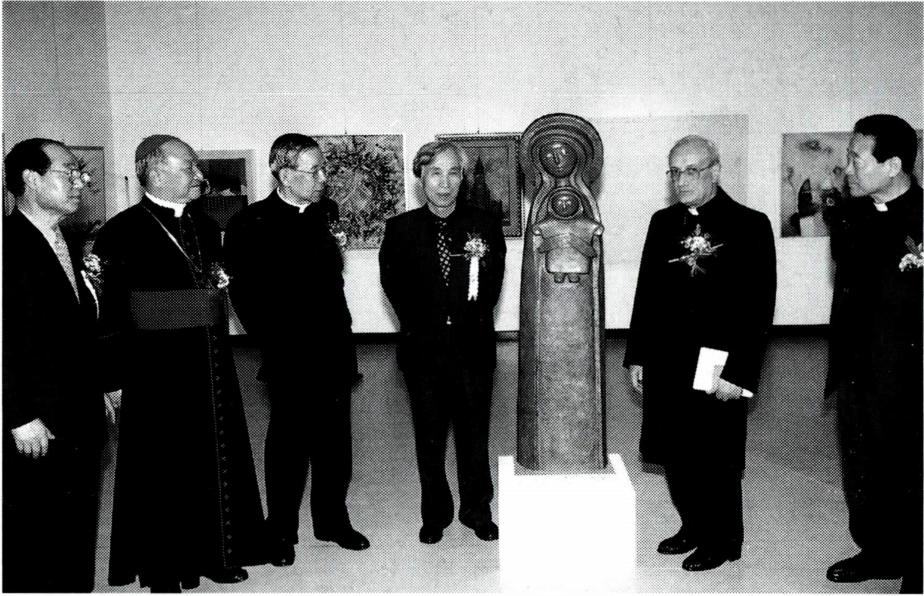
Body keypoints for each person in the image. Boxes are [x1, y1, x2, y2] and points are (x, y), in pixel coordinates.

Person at [94, 135, 266, 592]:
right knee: (162, 468)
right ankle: (164, 568)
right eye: (188, 166)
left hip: (209, 364)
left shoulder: (205, 226)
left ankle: (217, 555)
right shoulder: (121, 232)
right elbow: (107, 313)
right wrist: (112, 378)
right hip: (153, 369)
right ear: (155, 171)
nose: (198, 175)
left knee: (213, 459)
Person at [624, 135, 776, 572]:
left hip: (719, 361)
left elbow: (758, 306)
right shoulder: (662, 222)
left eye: (691, 170)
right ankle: (692, 525)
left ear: (716, 171)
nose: (682, 180)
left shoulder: (749, 224)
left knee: (715, 454)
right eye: (675, 171)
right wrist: (637, 354)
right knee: (675, 451)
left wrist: (740, 373)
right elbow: (647, 291)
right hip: (666, 358)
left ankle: (723, 539)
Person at [224, 133, 369, 567]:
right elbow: (243, 295)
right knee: (289, 444)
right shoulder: (250, 222)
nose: (324, 178)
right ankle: (281, 528)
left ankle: (332, 521)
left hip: (334, 348)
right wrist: (274, 343)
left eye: (324, 169)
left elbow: (332, 284)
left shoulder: (325, 213)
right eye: (315, 170)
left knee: (335, 442)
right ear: (285, 175)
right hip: (288, 353)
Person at [2, 138, 116, 592]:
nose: (81, 182)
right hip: (34, 419)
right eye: (69, 172)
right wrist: (17, 415)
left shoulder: (64, 240)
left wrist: (103, 385)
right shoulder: (8, 245)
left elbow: (83, 326)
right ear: (30, 179)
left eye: (81, 172)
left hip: (78, 411)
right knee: (33, 532)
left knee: (76, 521)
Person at [379, 140, 506, 544]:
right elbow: (393, 285)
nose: (445, 183)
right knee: (429, 438)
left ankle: (477, 510)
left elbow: (492, 285)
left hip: (472, 350)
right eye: (435, 173)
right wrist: (428, 324)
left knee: (474, 436)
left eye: (453, 173)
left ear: (463, 178)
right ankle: (434, 514)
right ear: (421, 177)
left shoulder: (484, 225)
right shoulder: (400, 229)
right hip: (424, 352)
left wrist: (462, 322)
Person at [825, 114, 922, 593]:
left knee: (913, 468)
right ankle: (880, 551)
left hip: (911, 373)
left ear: (893, 165)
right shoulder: (849, 216)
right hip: (856, 370)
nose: (848, 169)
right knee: (862, 465)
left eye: (856, 158)